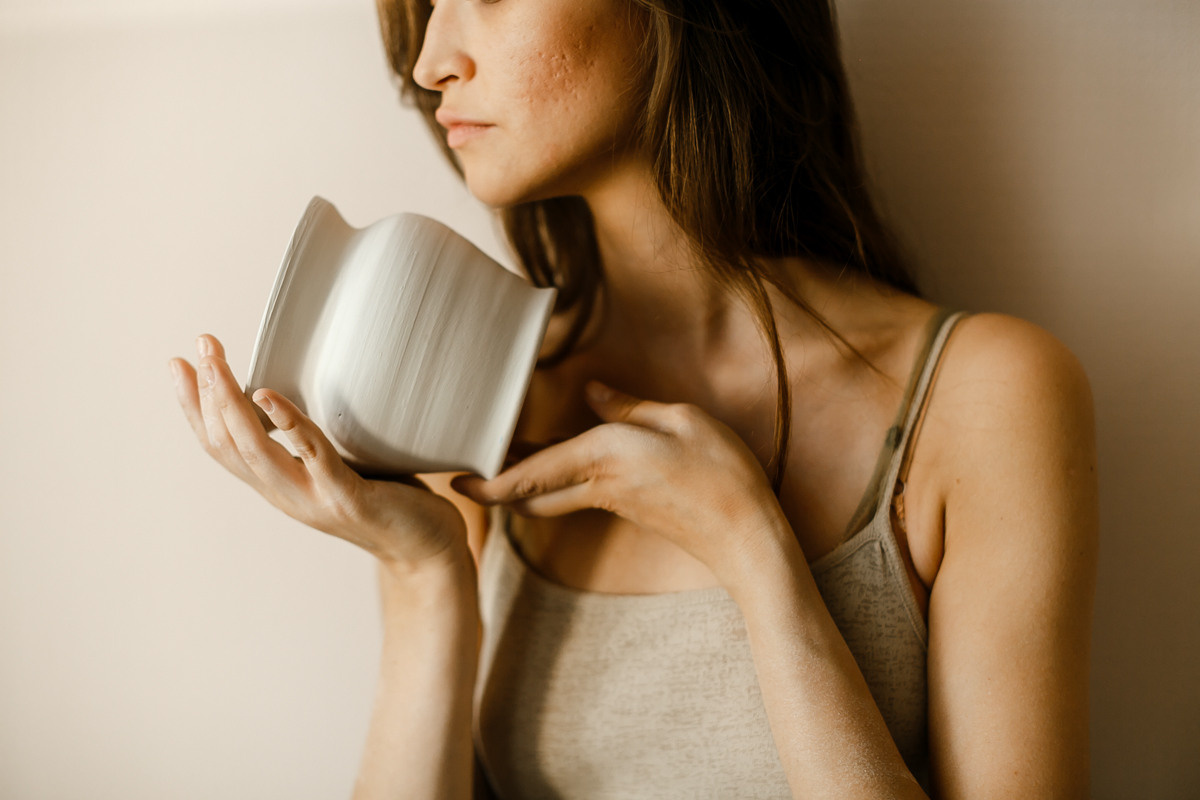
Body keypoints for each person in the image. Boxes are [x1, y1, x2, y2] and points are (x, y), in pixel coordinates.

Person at [168, 0, 1099, 796]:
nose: (428, 62)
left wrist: (754, 549)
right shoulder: (479, 416)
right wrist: (424, 575)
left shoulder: (982, 397)